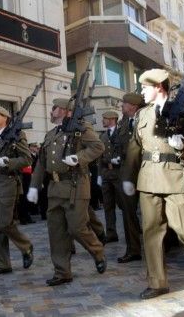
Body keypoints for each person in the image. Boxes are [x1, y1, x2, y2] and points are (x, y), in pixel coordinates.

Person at [121, 69, 184, 299]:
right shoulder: (143, 115)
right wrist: (128, 178)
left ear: (159, 86)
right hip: (148, 177)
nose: (141, 91)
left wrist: (182, 145)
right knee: (150, 232)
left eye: (145, 87)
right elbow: (134, 148)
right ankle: (157, 282)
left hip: (175, 175)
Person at [28, 98, 106, 286]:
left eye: (54, 108)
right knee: (56, 232)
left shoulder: (80, 129)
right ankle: (62, 272)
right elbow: (41, 163)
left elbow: (98, 147)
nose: (51, 111)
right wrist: (33, 185)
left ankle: (97, 251)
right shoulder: (51, 134)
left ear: (63, 110)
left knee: (77, 228)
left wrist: (78, 158)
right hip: (54, 188)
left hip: (75, 185)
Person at [0, 105, 34, 276]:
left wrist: (8, 162)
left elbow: (27, 159)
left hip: (8, 183)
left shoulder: (17, 135)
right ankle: (3, 263)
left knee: (4, 223)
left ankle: (26, 246)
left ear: (5, 118)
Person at [116, 93, 144, 263]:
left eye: (124, 103)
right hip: (128, 173)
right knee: (128, 212)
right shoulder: (124, 122)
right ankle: (133, 249)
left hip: (146, 169)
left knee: (154, 212)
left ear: (133, 106)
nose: (122, 106)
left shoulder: (145, 119)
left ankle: (165, 244)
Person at [97, 111, 121, 244]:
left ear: (113, 119)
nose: (103, 121)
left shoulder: (121, 133)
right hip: (106, 172)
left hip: (119, 173)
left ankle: (133, 229)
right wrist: (99, 175)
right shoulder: (102, 136)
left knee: (125, 204)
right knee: (108, 205)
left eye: (105, 119)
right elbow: (100, 157)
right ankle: (111, 233)